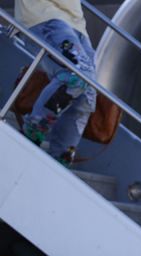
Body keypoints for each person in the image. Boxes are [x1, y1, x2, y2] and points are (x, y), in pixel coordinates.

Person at [16, 0, 97, 166]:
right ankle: (34, 129)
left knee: (88, 96)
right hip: (45, 15)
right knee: (77, 75)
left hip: (77, 23)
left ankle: (61, 159)